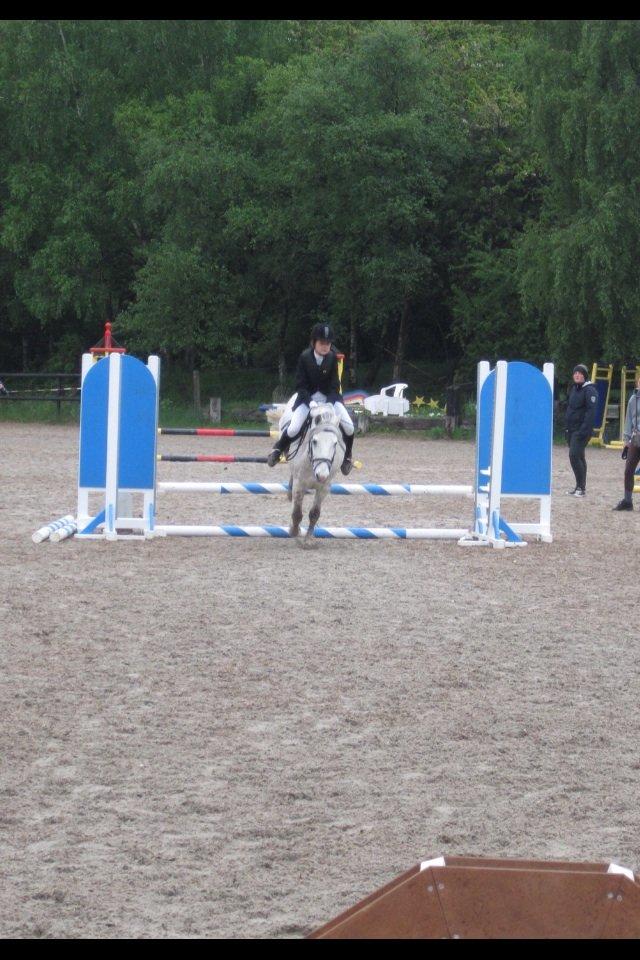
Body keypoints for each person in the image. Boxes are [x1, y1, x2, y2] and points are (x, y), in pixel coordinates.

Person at [267, 323, 355, 475]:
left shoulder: (333, 358)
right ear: (314, 342)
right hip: (308, 397)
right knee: (294, 427)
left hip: (330, 399)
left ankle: (347, 457)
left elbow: (335, 386)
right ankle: (278, 449)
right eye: (322, 343)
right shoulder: (305, 357)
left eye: (328, 343)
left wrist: (329, 403)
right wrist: (311, 403)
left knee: (349, 427)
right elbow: (300, 386)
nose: (325, 346)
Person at [565, 363, 598, 497]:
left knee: (573, 456)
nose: (577, 375)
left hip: (581, 431)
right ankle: (580, 487)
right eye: (575, 373)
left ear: (584, 375)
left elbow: (591, 413)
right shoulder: (574, 389)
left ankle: (581, 488)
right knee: (579, 456)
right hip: (571, 430)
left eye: (580, 373)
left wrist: (583, 430)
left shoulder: (590, 391)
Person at [612, 374, 640, 511]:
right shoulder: (633, 399)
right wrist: (626, 440)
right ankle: (628, 501)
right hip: (636, 438)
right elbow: (629, 420)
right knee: (628, 470)